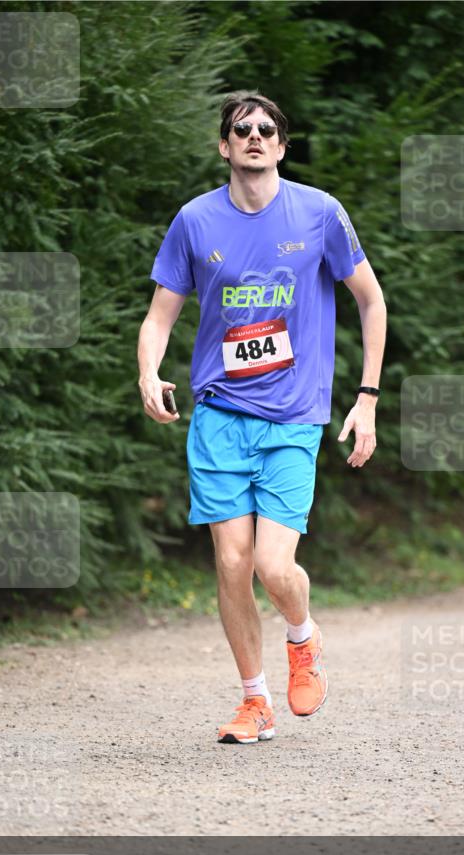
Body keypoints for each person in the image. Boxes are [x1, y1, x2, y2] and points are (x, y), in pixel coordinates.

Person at [138, 91, 386, 745]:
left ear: (280, 145)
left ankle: (301, 641)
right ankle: (255, 702)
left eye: (265, 129)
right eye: (240, 129)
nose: (253, 136)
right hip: (219, 414)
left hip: (293, 416)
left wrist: (365, 399)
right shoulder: (194, 222)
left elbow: (371, 301)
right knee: (230, 565)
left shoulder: (320, 214)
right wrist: (146, 370)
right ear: (224, 145)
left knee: (275, 568)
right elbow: (161, 314)